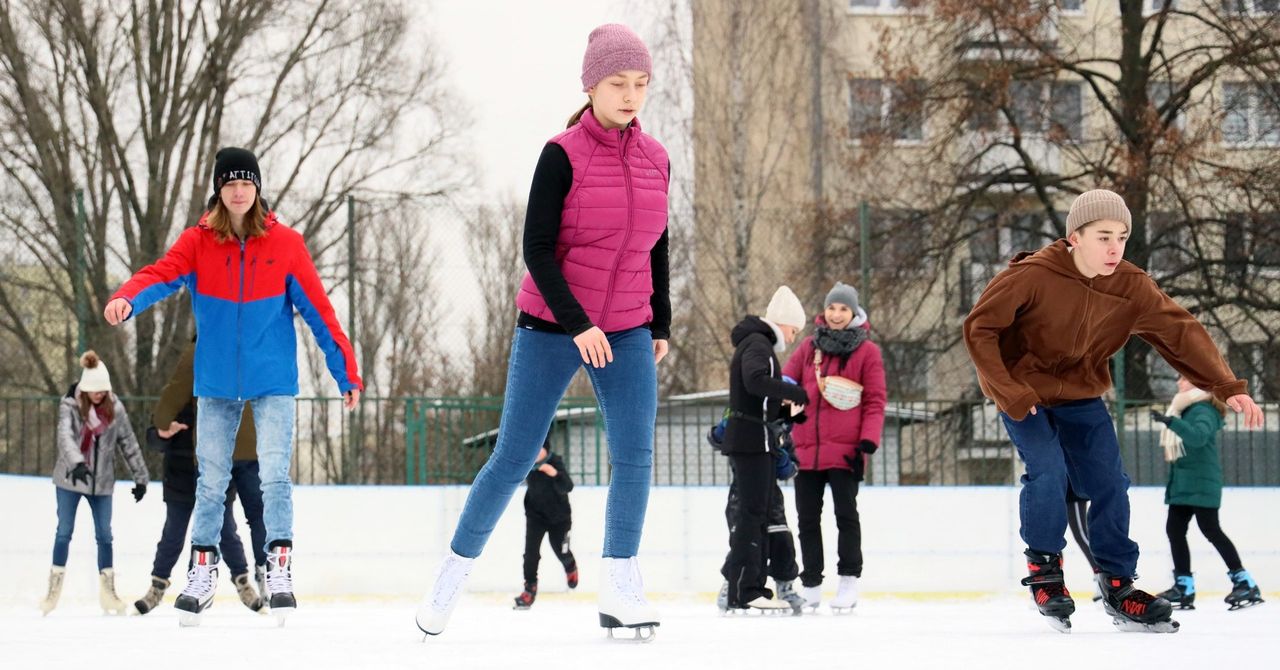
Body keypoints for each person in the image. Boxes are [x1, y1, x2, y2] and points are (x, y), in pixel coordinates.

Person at [416, 24, 670, 642]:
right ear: (591, 85)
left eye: (640, 83)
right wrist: (577, 323)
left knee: (636, 455)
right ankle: (452, 572)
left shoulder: (657, 157)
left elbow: (659, 242)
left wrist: (660, 320)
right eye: (619, 84)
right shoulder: (562, 153)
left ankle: (620, 583)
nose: (631, 95)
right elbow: (536, 247)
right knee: (511, 457)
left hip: (630, 327)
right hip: (553, 323)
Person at [962, 189, 1265, 633]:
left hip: (1081, 397)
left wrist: (1224, 384)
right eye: (1103, 237)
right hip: (1025, 394)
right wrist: (1009, 391)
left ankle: (1119, 585)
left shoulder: (1129, 285)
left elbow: (1180, 331)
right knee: (1047, 471)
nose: (1114, 248)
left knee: (1109, 482)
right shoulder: (1032, 276)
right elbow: (980, 328)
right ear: (1075, 237)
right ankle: (1046, 572)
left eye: (1121, 237)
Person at [103, 147, 362, 626]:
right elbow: (160, 274)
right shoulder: (199, 242)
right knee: (211, 481)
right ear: (219, 190)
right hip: (217, 383)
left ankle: (278, 567)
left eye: (247, 183)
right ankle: (202, 574)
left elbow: (320, 313)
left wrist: (346, 372)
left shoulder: (286, 244)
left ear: (258, 189)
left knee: (274, 477)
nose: (239, 191)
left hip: (272, 382)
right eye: (230, 184)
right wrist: (126, 298)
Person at [134, 338, 267, 615]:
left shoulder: (221, 411)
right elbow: (154, 433)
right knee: (174, 533)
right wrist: (162, 432)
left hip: (213, 475)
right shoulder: (180, 400)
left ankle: (243, 583)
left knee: (226, 531)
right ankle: (157, 587)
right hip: (181, 476)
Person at [781, 282, 886, 613]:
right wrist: (787, 421)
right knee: (807, 519)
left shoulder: (867, 352)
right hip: (806, 450)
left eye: (843, 309)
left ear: (854, 313)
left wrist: (867, 441)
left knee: (846, 516)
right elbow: (785, 383)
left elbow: (875, 399)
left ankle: (848, 580)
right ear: (824, 311)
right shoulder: (810, 347)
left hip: (846, 450)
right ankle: (811, 583)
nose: (836, 314)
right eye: (832, 308)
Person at [718, 286, 810, 613]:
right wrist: (794, 390)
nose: (793, 337)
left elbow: (760, 401)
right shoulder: (758, 344)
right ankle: (746, 589)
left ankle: (744, 589)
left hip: (757, 438)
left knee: (755, 514)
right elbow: (755, 381)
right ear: (782, 322)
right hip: (751, 440)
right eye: (793, 330)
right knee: (752, 515)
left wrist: (790, 409)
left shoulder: (757, 344)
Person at [40, 351, 149, 616]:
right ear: (85, 388)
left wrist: (141, 477)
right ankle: (53, 591)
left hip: (101, 482)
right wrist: (77, 463)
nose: (98, 395)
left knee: (105, 535)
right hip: (70, 478)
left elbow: (128, 442)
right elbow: (64, 436)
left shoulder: (116, 407)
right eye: (94, 390)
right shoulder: (70, 405)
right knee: (64, 532)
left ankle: (108, 594)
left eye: (103, 390)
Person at [1151, 376, 1265, 611]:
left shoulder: (1204, 409)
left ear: (1199, 385)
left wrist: (1172, 422)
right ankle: (1184, 585)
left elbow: (1198, 437)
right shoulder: (1189, 408)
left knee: (1210, 529)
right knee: (1175, 529)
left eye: (1184, 378)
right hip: (1185, 483)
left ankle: (1243, 580)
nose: (1179, 382)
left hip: (1201, 483)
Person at [708, 395, 804, 615]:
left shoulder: (783, 434)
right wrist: (728, 423)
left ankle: (785, 586)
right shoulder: (745, 424)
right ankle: (731, 584)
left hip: (772, 498)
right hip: (741, 495)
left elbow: (790, 470)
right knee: (746, 544)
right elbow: (716, 438)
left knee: (782, 542)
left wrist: (779, 455)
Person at [513, 439, 578, 610]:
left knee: (560, 549)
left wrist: (554, 473)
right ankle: (529, 589)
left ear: (546, 450)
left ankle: (570, 566)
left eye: (539, 449)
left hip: (560, 518)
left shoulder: (555, 461)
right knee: (530, 554)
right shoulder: (528, 464)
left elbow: (568, 486)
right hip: (536, 516)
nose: (535, 453)